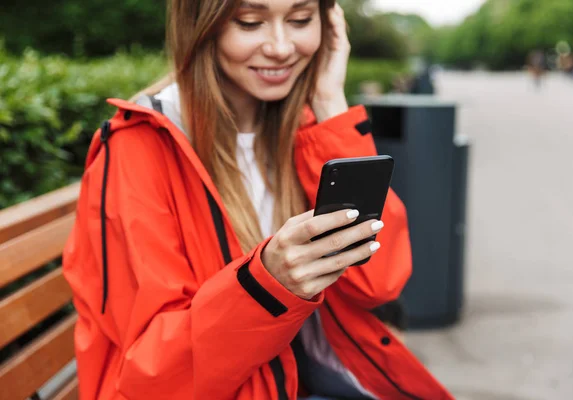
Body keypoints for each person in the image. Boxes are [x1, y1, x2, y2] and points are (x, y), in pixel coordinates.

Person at [62, 0, 453, 399]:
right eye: (250, 23)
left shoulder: (305, 126)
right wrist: (266, 284)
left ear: (329, 22)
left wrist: (330, 103)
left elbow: (379, 284)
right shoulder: (140, 150)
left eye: (301, 20)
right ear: (200, 27)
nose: (281, 47)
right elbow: (154, 377)